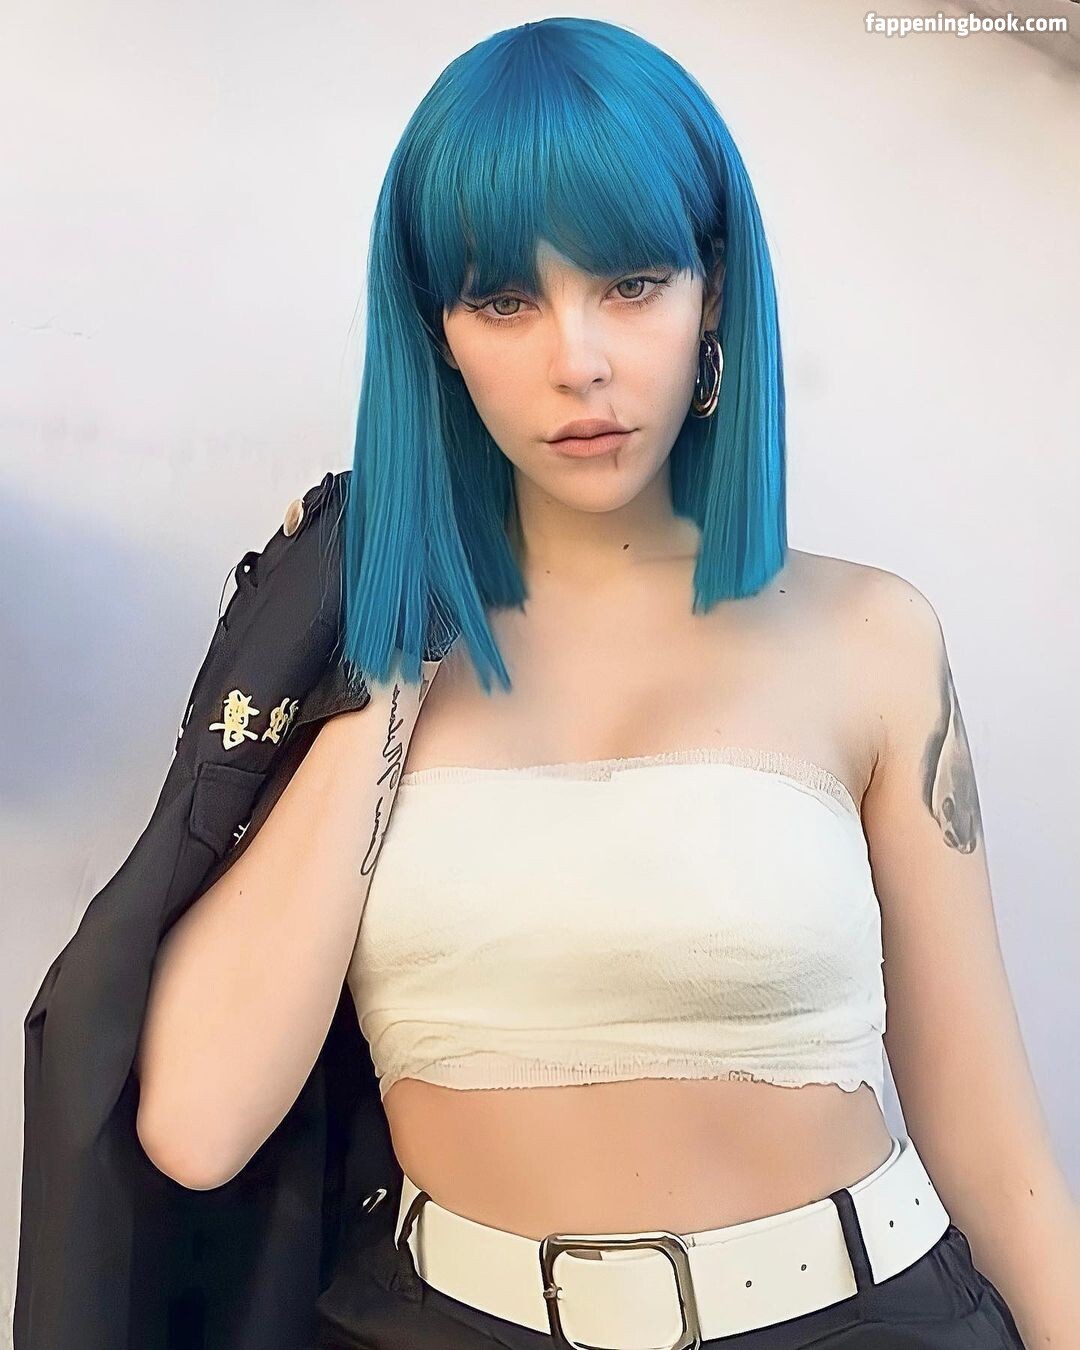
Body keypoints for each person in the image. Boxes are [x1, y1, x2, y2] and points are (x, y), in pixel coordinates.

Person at [16, 16, 1071, 1350]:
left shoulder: (872, 635)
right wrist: (395, 653)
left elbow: (990, 1141)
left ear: (713, 292)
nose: (579, 360)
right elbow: (196, 1124)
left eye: (631, 283)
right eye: (505, 299)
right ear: (437, 334)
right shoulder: (360, 644)